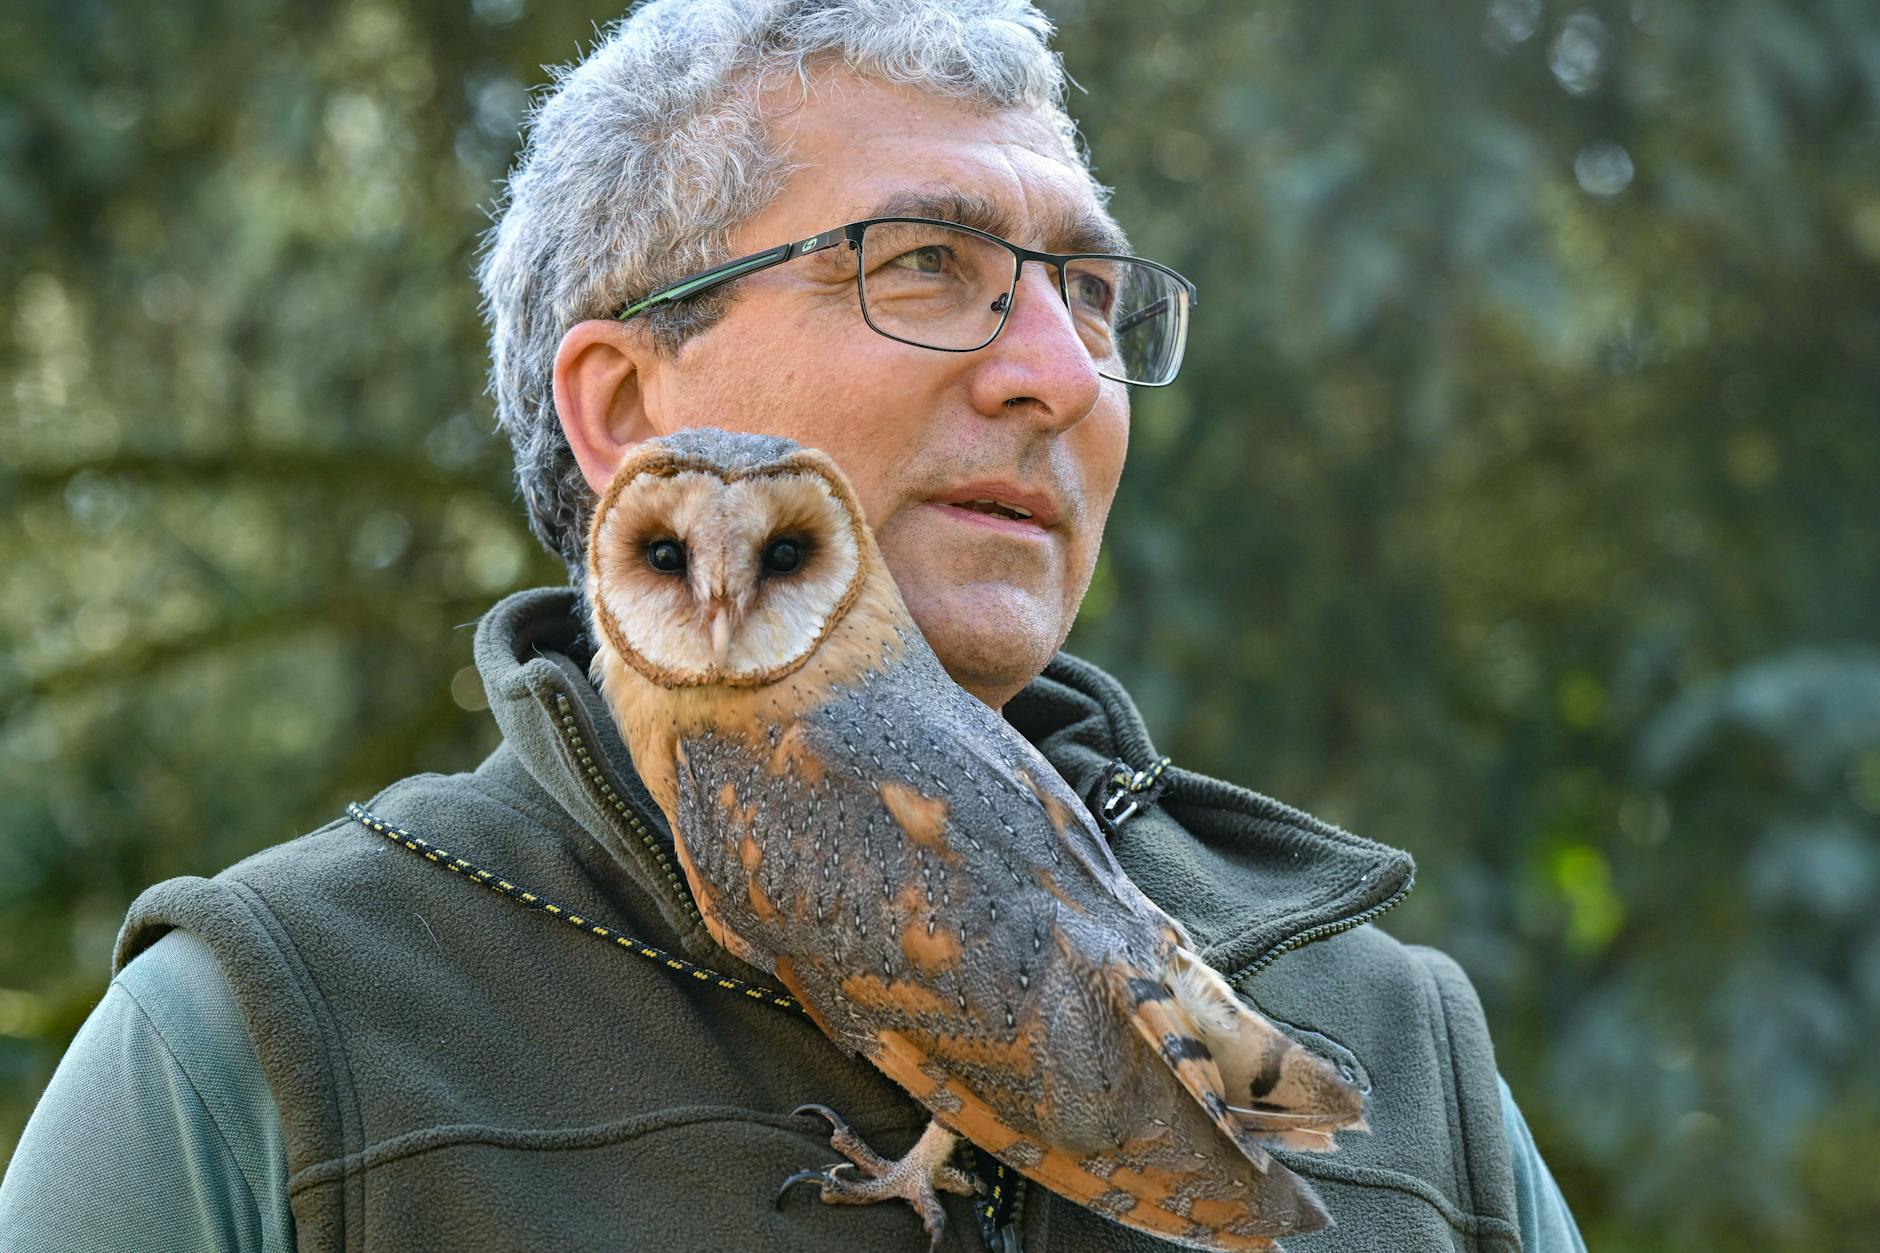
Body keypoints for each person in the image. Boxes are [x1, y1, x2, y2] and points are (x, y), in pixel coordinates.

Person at [0, 2, 1585, 1249]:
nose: (1058, 370)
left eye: (1089, 298)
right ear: (625, 406)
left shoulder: (1408, 1066)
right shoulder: (282, 1037)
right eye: (925, 264)